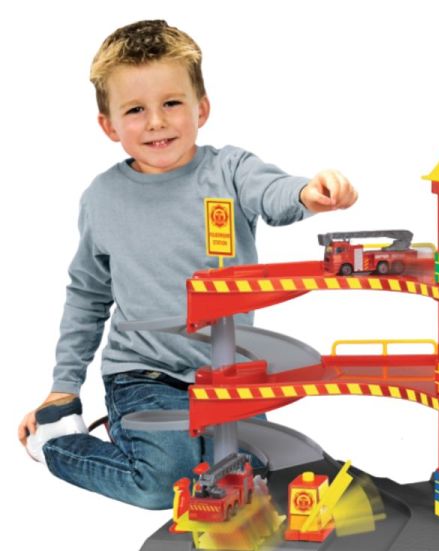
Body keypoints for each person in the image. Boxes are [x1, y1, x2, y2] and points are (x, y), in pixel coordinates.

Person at [17, 20, 357, 509]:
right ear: (109, 126)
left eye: (172, 103)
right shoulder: (102, 198)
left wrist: (308, 192)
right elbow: (88, 296)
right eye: (136, 110)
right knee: (164, 485)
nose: (157, 121)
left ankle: (152, 437)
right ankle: (58, 446)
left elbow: (274, 193)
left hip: (228, 372)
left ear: (202, 108)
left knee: (252, 478)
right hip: (144, 374)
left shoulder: (230, 170)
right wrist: (62, 387)